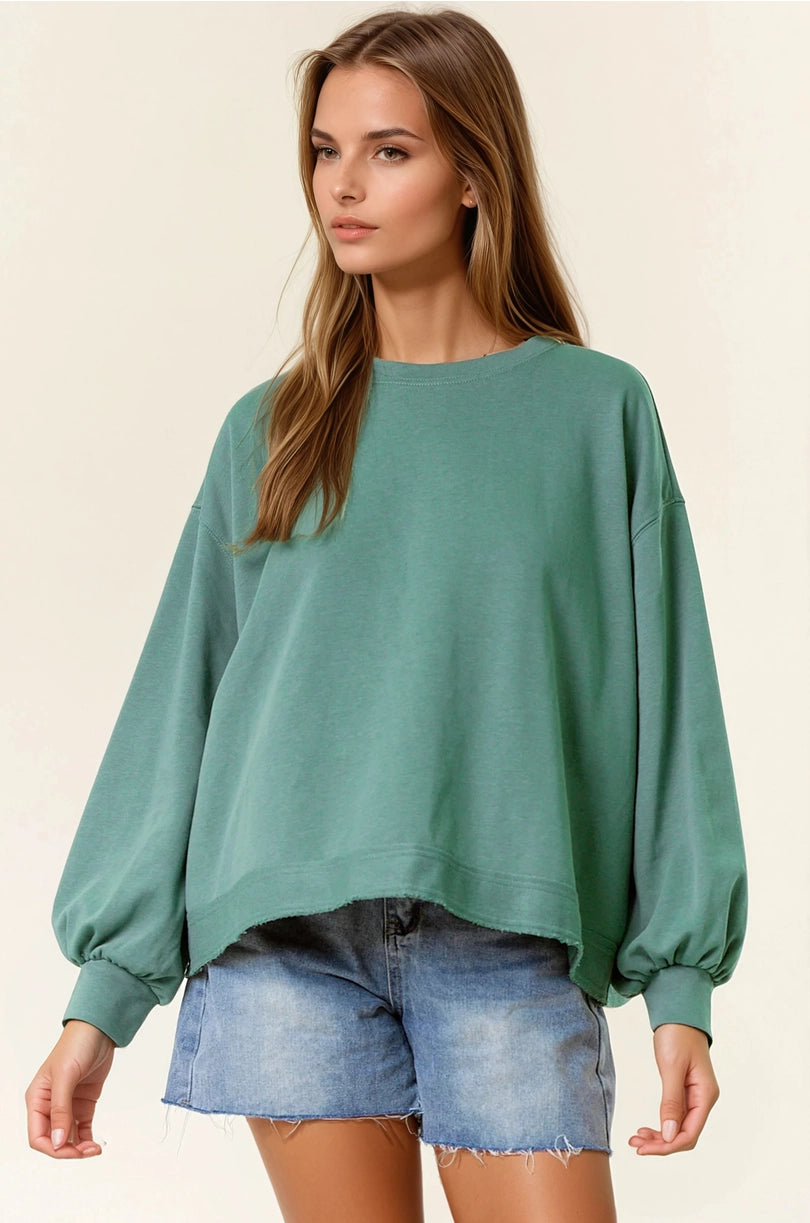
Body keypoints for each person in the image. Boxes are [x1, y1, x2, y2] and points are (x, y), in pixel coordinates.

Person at [25, 7, 748, 1221]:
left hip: (509, 942)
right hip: (286, 946)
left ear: (474, 173)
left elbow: (671, 706)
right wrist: (102, 997)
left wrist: (683, 982)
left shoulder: (596, 413)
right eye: (325, 150)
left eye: (389, 150)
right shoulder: (271, 429)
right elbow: (180, 705)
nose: (342, 186)